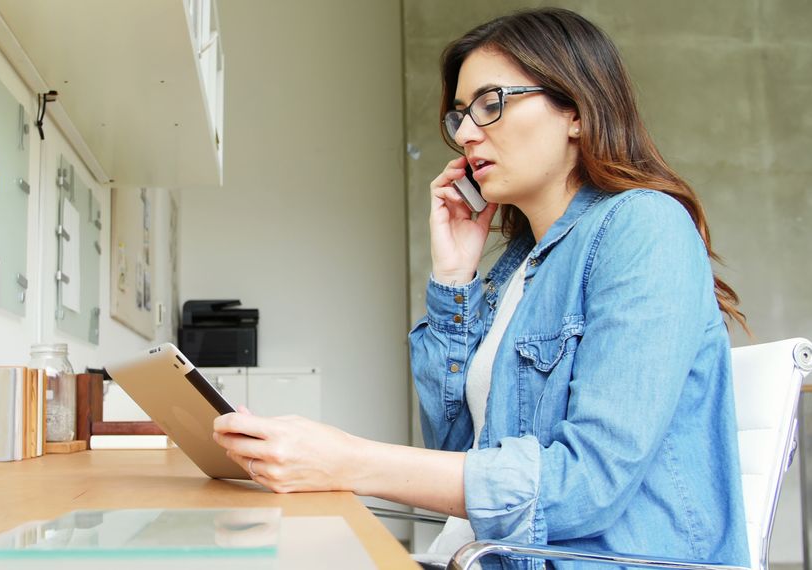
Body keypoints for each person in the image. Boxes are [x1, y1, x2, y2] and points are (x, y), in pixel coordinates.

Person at [212, 7, 749, 568]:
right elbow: (460, 459)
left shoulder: (645, 226)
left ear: (577, 112)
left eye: (490, 104)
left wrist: (351, 461)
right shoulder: (515, 266)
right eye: (461, 115)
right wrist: (453, 276)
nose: (466, 132)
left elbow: (587, 483)